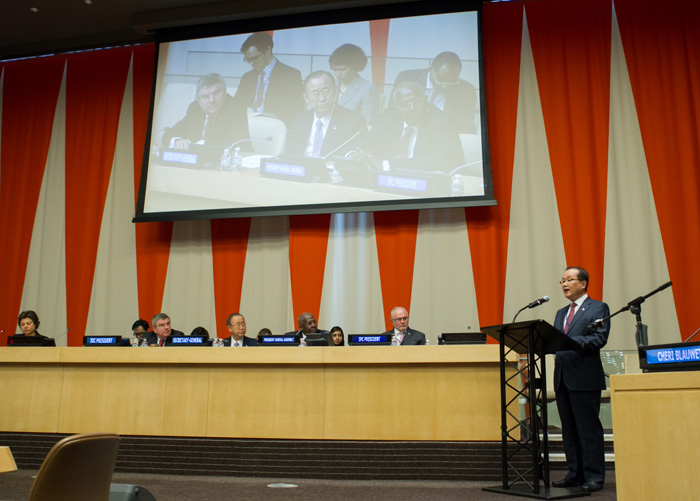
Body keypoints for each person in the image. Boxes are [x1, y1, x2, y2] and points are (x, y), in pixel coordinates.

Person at [551, 267, 610, 493]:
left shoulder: (599, 307)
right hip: (563, 378)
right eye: (562, 280)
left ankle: (594, 476)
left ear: (583, 284)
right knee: (569, 430)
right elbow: (555, 342)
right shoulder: (560, 313)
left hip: (585, 378)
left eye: (569, 280)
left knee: (588, 430)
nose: (564, 284)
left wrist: (569, 341)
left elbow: (599, 338)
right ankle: (575, 473)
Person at [365, 81, 464, 173]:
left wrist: (387, 165)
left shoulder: (442, 122)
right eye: (405, 105)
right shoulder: (386, 119)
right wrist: (367, 155)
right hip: (390, 180)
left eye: (416, 102)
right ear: (397, 109)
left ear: (425, 100)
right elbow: (368, 145)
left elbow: (437, 160)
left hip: (433, 181)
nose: (412, 108)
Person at [286, 71, 367, 158]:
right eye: (315, 93)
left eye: (326, 91)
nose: (322, 98)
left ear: (335, 91)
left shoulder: (353, 120)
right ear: (306, 98)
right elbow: (290, 154)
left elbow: (353, 155)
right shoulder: (299, 121)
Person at [392, 51, 477, 134]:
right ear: (430, 69)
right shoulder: (406, 78)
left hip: (442, 137)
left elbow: (466, 125)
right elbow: (392, 112)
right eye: (441, 80)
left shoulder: (467, 91)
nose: (445, 85)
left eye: (452, 81)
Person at [161, 73, 249, 150]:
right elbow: (168, 135)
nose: (211, 100)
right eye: (205, 97)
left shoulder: (236, 108)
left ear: (225, 92)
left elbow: (230, 143)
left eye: (216, 93)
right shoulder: (195, 109)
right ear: (199, 101)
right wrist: (177, 141)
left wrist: (194, 146)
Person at [233, 32, 304, 127]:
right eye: (247, 60)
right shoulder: (247, 77)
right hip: (247, 127)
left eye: (254, 58)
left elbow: (296, 110)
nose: (251, 63)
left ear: (268, 49)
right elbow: (236, 106)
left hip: (275, 128)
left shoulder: (291, 75)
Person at [329, 44, 381, 124]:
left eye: (342, 69)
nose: (338, 74)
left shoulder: (368, 88)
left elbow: (368, 122)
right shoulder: (330, 84)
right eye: (334, 69)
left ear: (355, 66)